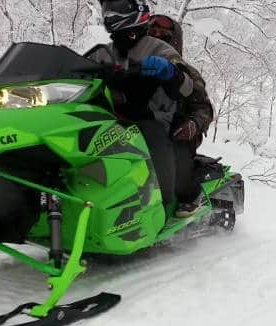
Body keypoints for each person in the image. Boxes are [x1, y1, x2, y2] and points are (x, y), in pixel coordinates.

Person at [87, 0, 213, 218]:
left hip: (173, 127)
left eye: (164, 31)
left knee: (177, 168)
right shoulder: (112, 53)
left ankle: (182, 199)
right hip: (121, 119)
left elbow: (200, 102)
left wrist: (192, 124)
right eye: (154, 28)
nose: (157, 33)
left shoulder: (173, 62)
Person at [148, 14, 214, 154]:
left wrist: (194, 124)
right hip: (127, 136)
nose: (157, 38)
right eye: (152, 33)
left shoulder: (188, 74)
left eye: (164, 35)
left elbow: (205, 109)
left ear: (175, 40)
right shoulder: (128, 64)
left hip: (171, 142)